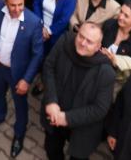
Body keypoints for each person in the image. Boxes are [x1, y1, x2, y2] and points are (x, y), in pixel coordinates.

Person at [0, 0, 45, 158]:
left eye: (20, 4)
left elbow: (37, 55)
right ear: (5, 2)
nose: (17, 9)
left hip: (19, 75)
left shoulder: (33, 23)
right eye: (12, 5)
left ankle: (19, 133)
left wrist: (27, 79)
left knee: (20, 105)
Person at [40, 21, 116, 160]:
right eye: (81, 36)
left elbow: (100, 109)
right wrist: (51, 100)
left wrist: (67, 118)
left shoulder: (106, 72)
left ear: (98, 46)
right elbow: (49, 67)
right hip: (54, 115)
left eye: (89, 41)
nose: (83, 43)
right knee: (51, 150)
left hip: (81, 128)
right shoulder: (65, 41)